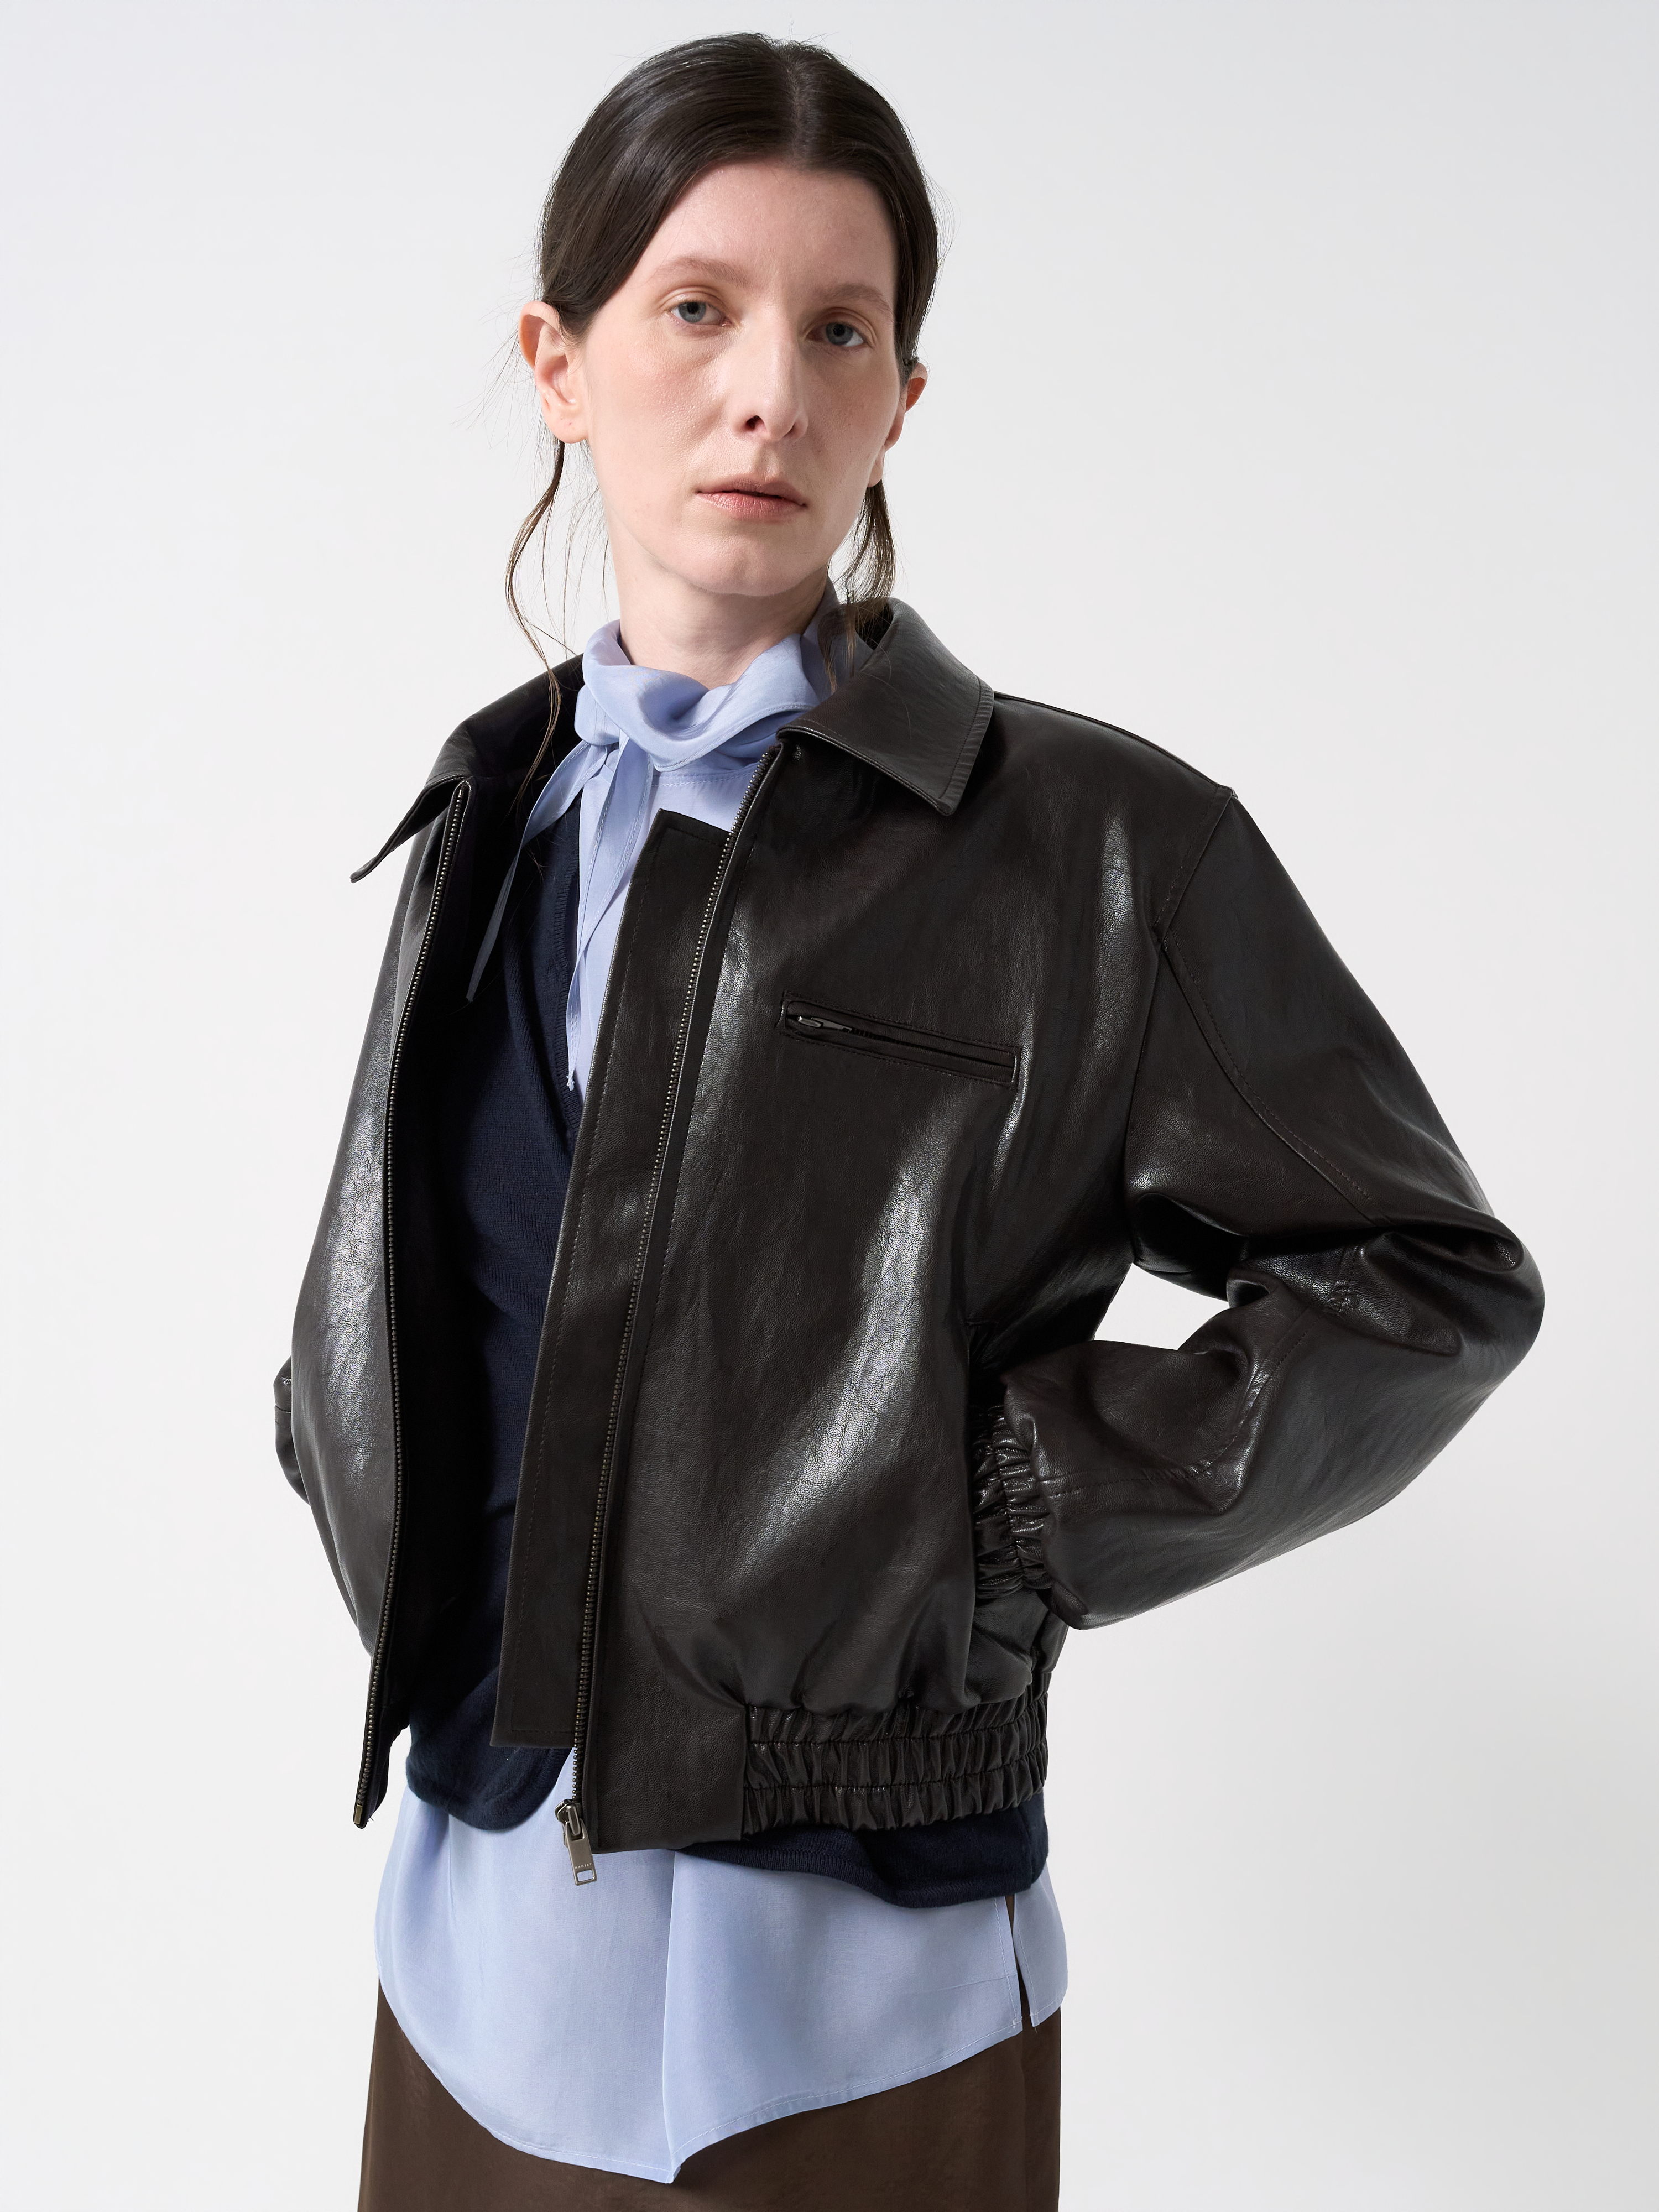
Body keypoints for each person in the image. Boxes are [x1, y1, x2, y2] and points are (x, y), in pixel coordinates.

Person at [273, 33, 1543, 2211]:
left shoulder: (1096, 851)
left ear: (901, 400)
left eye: (838, 329)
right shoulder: (490, 809)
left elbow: (1429, 1281)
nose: (767, 390)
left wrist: (1018, 1506)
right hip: (468, 1957)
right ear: (561, 364)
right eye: (696, 307)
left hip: (854, 1992)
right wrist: (335, 1433)